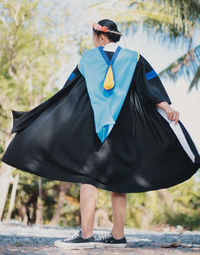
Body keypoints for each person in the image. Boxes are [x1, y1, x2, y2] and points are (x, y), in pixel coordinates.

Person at [2, 19, 200, 250]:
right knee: (118, 179)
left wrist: (43, 117)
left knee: (88, 176)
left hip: (93, 126)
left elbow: (69, 91)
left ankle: (86, 235)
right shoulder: (134, 58)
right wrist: (167, 109)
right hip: (124, 128)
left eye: (94, 37)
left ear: (102, 37)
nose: (94, 41)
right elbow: (150, 89)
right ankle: (118, 235)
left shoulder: (87, 59)